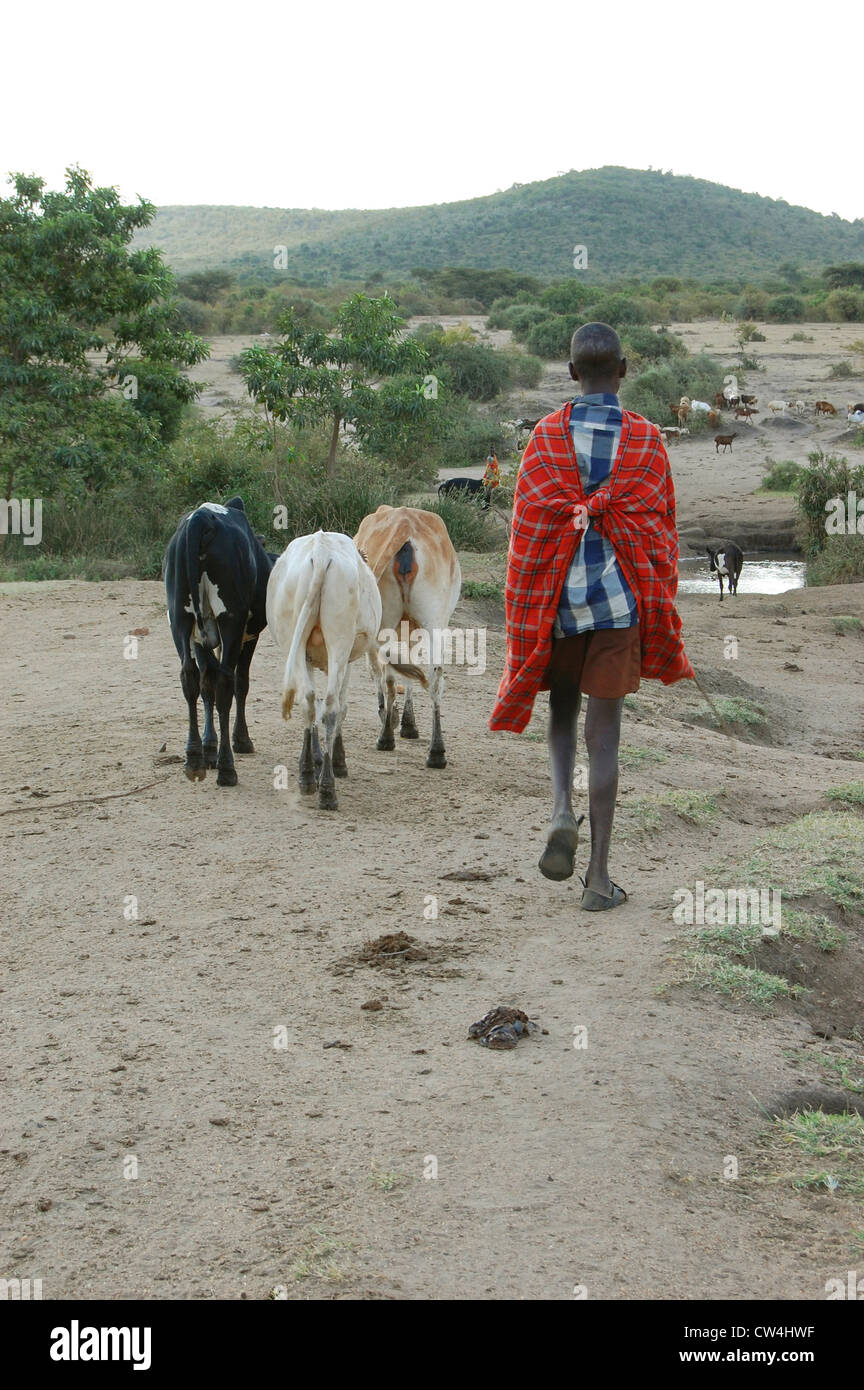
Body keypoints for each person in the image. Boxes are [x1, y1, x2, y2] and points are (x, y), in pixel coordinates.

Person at [489, 323, 693, 910]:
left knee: (560, 711)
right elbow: (660, 532)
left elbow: (527, 531)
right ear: (624, 370)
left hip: (556, 607)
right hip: (620, 607)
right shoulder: (648, 442)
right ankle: (599, 881)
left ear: (573, 373)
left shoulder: (546, 438)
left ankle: (560, 808)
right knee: (605, 739)